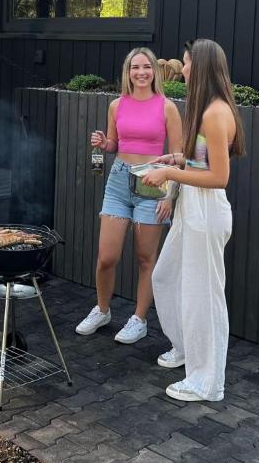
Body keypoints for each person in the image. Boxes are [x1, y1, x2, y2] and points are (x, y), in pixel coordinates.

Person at [142, 39, 244, 402]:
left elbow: (220, 177)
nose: (181, 69)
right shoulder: (205, 109)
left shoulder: (216, 114)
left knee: (204, 297)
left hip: (206, 212)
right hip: (192, 210)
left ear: (199, 66)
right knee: (166, 276)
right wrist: (175, 158)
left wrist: (170, 172)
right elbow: (200, 162)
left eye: (185, 63)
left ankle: (206, 381)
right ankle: (185, 347)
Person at [76, 47, 183, 344]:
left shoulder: (167, 107)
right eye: (135, 68)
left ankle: (139, 319)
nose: (141, 73)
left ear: (154, 71)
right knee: (106, 257)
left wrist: (169, 196)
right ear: (128, 72)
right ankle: (102, 309)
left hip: (153, 183)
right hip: (120, 181)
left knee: (145, 258)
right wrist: (104, 142)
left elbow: (178, 156)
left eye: (146, 67)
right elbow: (114, 145)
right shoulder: (116, 105)